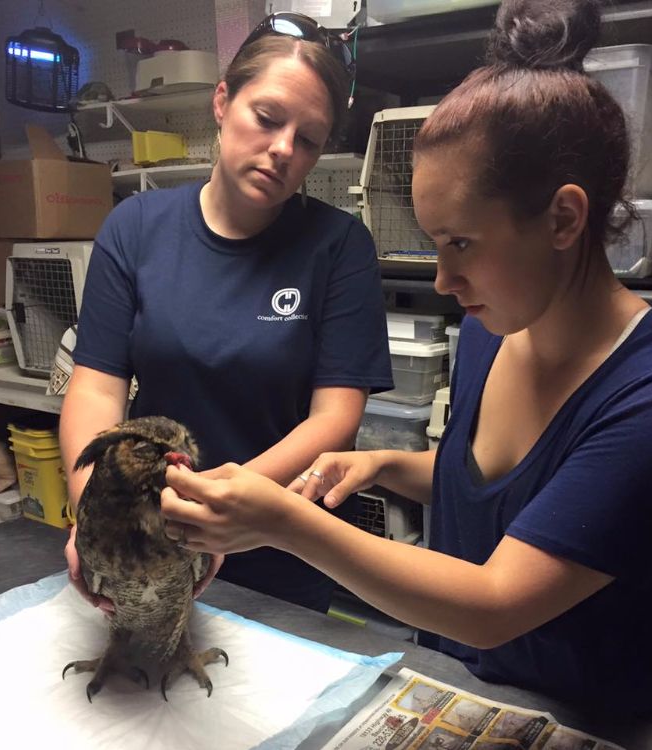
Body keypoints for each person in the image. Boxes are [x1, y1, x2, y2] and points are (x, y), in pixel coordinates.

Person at [160, 0, 652, 723]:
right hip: (450, 689)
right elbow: (518, 493)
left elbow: (496, 604)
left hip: (581, 721)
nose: (442, 281)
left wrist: (283, 523)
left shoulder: (648, 396)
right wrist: (382, 466)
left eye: (459, 244)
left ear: (563, 219)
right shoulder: (497, 329)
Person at [60, 11, 394, 614]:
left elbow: (333, 420)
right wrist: (96, 514)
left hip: (277, 544)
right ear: (222, 101)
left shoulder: (339, 246)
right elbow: (95, 393)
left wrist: (216, 507)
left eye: (310, 139)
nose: (283, 149)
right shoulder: (134, 228)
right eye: (266, 118)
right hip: (146, 537)